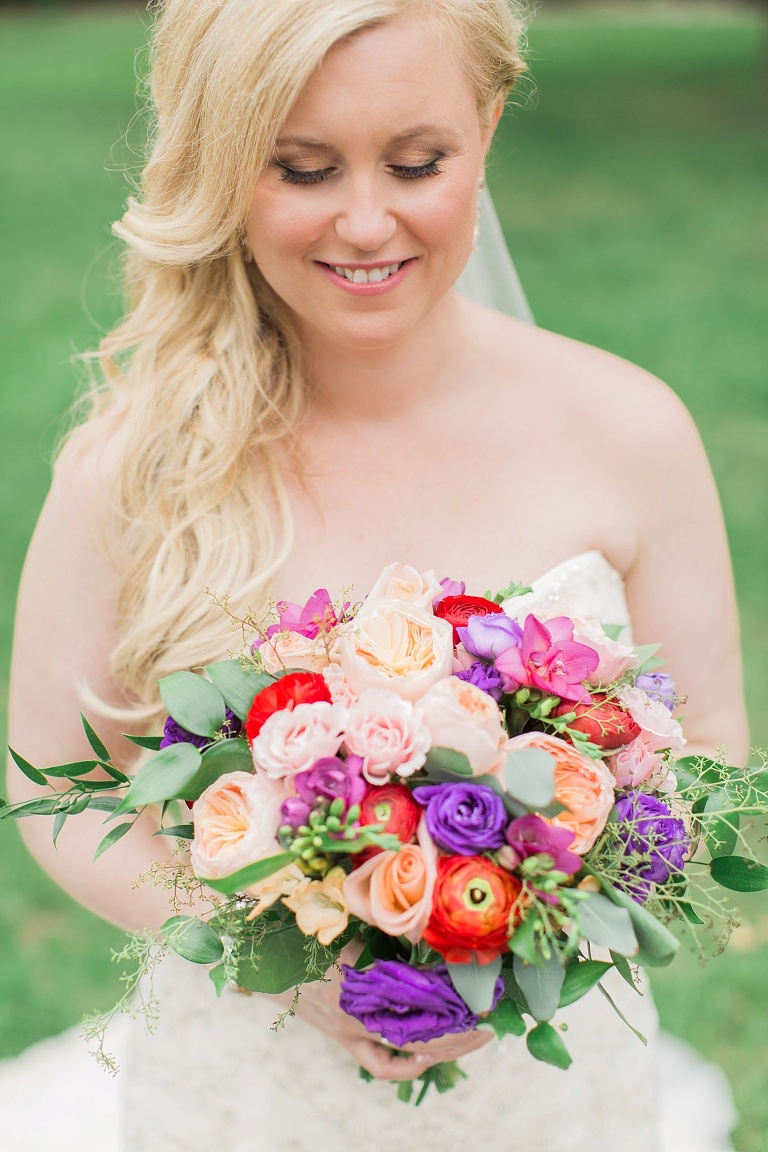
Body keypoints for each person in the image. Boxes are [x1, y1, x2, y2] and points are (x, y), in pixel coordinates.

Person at [6, 1, 748, 1149]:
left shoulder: (629, 431)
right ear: (222, 163)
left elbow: (709, 753)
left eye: (416, 163)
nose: (364, 221)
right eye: (301, 168)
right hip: (246, 1088)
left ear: (486, 129)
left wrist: (521, 942)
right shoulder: (133, 469)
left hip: (548, 1094)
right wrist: (277, 954)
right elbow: (60, 791)